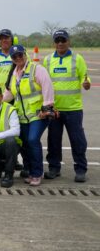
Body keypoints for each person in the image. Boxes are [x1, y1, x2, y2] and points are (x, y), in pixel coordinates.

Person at [43, 30, 91, 183]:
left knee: (77, 140)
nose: (60, 43)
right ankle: (54, 168)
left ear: (68, 41)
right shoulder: (48, 60)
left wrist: (86, 83)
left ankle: (80, 169)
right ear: (54, 43)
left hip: (73, 109)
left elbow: (85, 77)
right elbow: (44, 82)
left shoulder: (78, 59)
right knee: (53, 140)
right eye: (57, 40)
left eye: (63, 40)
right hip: (54, 109)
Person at [3, 45, 54, 186]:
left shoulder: (37, 69)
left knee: (32, 140)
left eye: (20, 55)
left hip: (38, 114)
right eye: (14, 56)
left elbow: (47, 88)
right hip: (22, 116)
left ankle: (37, 173)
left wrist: (47, 108)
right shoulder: (14, 73)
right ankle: (30, 170)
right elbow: (9, 93)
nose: (18, 58)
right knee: (24, 143)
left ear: (25, 54)